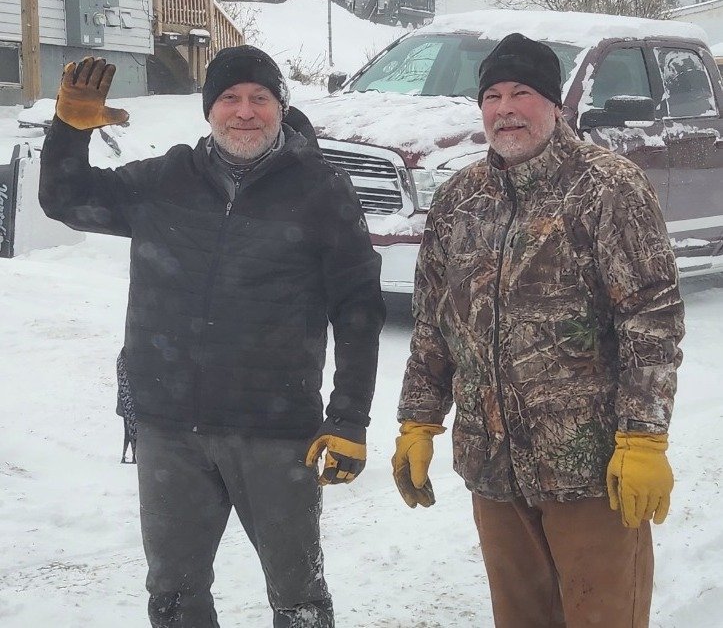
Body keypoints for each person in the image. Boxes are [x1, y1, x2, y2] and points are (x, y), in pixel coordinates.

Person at [39, 46, 385, 628]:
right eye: (229, 98)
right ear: (209, 111)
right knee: (174, 595)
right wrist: (69, 132)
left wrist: (348, 418)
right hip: (168, 425)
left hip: (275, 432)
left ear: (280, 108)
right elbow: (66, 200)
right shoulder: (166, 179)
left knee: (298, 598)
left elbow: (359, 306)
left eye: (260, 98)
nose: (244, 112)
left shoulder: (320, 190)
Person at [391, 33, 684, 628]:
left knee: (604, 618)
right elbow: (433, 323)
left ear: (555, 104)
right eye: (492, 95)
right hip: (494, 469)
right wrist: (418, 420)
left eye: (522, 93)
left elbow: (650, 316)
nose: (505, 108)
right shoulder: (458, 200)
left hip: (593, 469)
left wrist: (643, 438)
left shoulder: (607, 187)